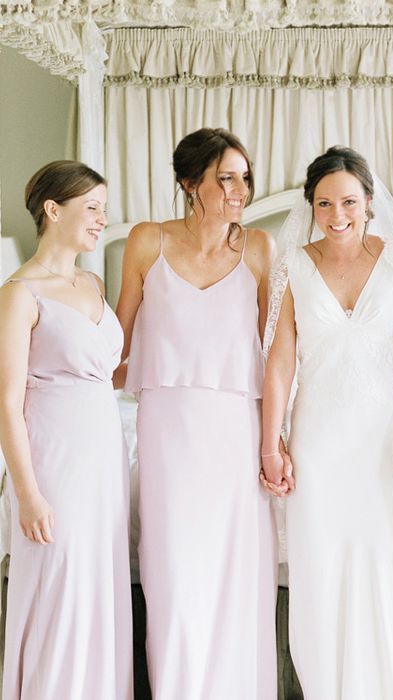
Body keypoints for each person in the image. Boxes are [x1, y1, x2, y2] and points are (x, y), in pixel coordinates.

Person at [261, 146, 393, 699]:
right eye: (324, 203)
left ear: (369, 201)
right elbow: (280, 361)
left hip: (381, 438)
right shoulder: (291, 264)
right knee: (324, 571)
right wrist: (272, 442)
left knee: (384, 566)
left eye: (348, 202)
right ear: (311, 206)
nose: (337, 215)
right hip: (319, 442)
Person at [116, 128, 278, 699]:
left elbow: (276, 356)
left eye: (244, 177)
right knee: (175, 578)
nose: (240, 190)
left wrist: (277, 440)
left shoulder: (259, 250)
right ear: (190, 184)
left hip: (237, 434)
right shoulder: (146, 242)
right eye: (225, 178)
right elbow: (117, 345)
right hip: (168, 434)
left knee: (236, 578)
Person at [0, 160, 132, 699]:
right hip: (56, 462)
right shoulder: (19, 293)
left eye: (104, 207)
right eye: (92, 207)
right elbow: (6, 403)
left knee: (99, 588)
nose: (102, 218)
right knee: (63, 588)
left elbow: (111, 370)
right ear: (53, 210)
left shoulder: (93, 282)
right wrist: (29, 495)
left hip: (104, 461)